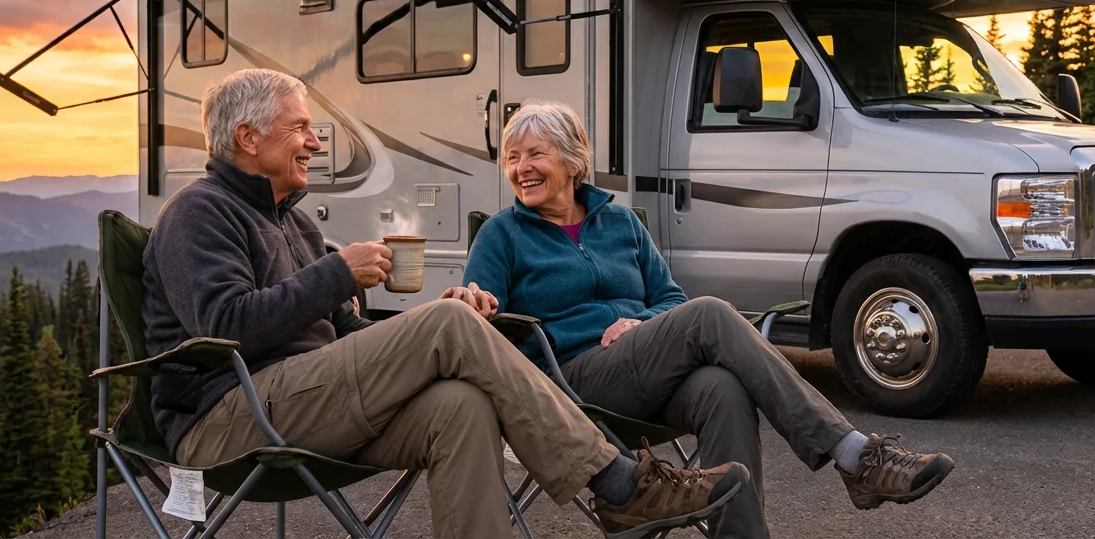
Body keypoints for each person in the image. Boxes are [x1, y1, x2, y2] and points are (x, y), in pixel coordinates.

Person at [142, 69, 752, 539]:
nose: (314, 140)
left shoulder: (295, 226)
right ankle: (618, 482)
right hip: (228, 419)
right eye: (299, 127)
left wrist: (430, 326)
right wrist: (338, 273)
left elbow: (347, 334)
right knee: (447, 328)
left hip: (305, 404)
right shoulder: (198, 213)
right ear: (247, 137)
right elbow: (224, 326)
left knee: (458, 404)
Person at [459, 101, 956, 538]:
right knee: (710, 314)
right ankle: (854, 455)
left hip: (642, 368)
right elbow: (482, 312)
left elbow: (669, 298)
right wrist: (474, 300)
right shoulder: (502, 234)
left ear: (571, 160)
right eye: (513, 158)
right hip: (573, 382)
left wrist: (642, 324)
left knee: (722, 386)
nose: (521, 168)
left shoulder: (620, 222)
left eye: (535, 154)